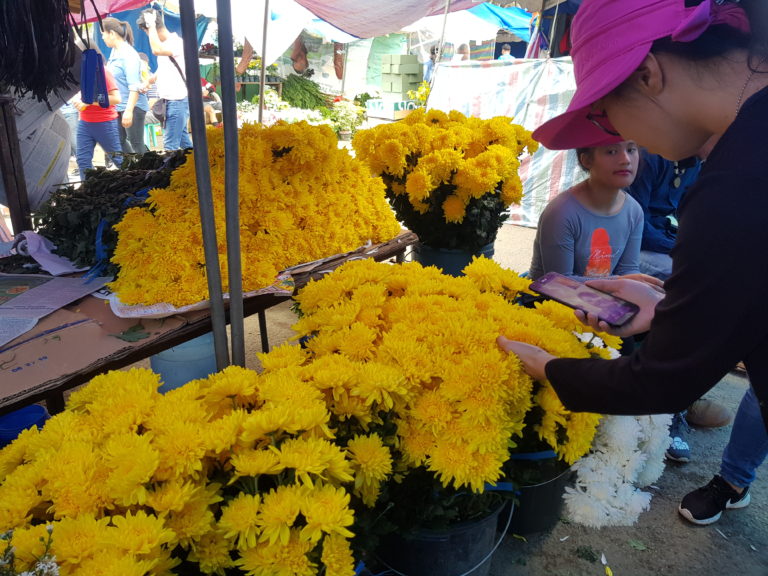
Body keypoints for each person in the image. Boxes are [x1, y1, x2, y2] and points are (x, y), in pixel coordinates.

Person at [497, 0, 768, 527]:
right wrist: (672, 309)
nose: (615, 141)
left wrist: (548, 367)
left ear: (647, 74)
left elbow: (663, 382)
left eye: (600, 114)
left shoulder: (737, 181)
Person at [628, 148, 733, 438]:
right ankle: (670, 406)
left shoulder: (697, 163)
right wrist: (681, 249)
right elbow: (640, 224)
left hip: (662, 241)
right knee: (694, 284)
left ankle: (683, 396)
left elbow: (683, 215)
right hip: (639, 246)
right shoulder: (650, 157)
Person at [529, 141, 644, 282]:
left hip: (604, 299)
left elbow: (628, 270)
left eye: (631, 150)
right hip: (548, 301)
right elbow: (559, 284)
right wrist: (619, 283)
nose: (626, 160)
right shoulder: (561, 213)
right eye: (611, 152)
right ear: (587, 160)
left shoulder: (634, 211)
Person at [137, 8, 192, 150]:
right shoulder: (167, 45)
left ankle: (173, 172)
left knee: (170, 147)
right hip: (170, 103)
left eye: (146, 32)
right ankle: (198, 170)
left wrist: (151, 26)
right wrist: (149, 81)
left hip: (176, 102)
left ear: (148, 29)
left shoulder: (176, 42)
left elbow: (156, 50)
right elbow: (163, 70)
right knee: (185, 145)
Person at [101, 17, 150, 156]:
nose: (103, 37)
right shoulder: (114, 52)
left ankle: (150, 171)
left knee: (136, 143)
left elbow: (133, 86)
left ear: (111, 33)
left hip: (132, 106)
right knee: (117, 141)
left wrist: (128, 111)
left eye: (103, 33)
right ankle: (132, 169)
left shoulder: (128, 54)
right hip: (119, 106)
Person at [72, 67, 123, 176]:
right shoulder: (79, 71)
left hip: (105, 122)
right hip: (85, 122)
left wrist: (89, 102)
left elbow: (116, 98)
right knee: (82, 160)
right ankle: (86, 190)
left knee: (118, 160)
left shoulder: (102, 71)